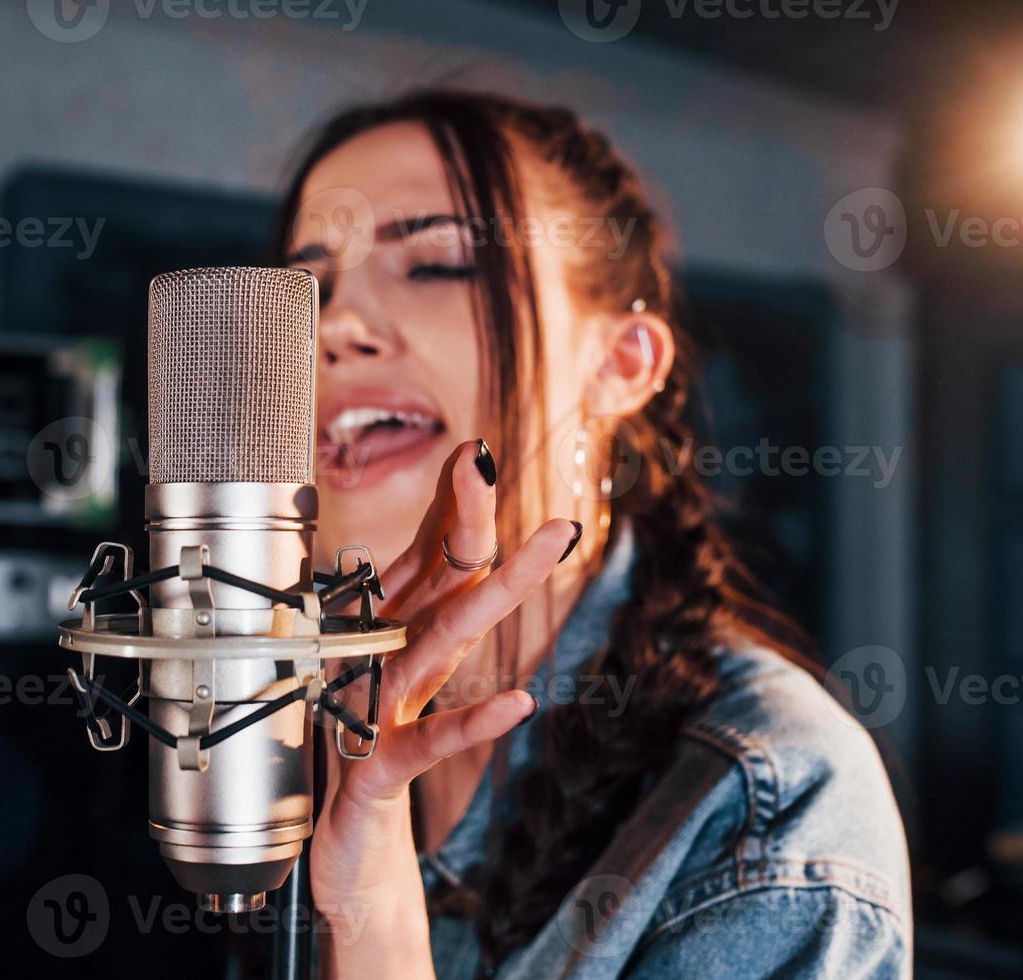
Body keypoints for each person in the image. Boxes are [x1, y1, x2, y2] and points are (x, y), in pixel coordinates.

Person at [276, 89, 910, 980]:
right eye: (310, 284)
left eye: (437, 265)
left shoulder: (766, 799)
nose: (333, 326)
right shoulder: (274, 729)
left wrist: (371, 905)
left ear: (621, 365)